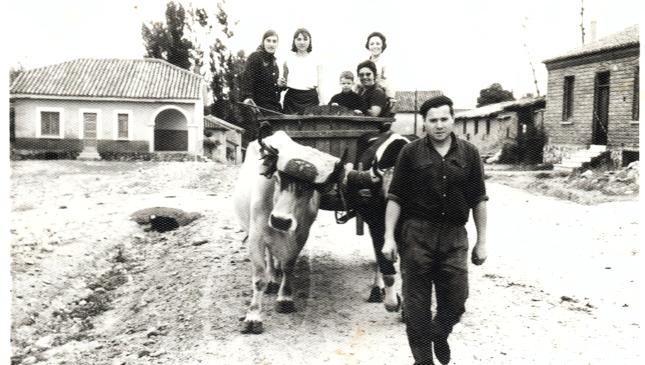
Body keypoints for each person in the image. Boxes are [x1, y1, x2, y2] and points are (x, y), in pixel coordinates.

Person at [381, 95, 488, 365]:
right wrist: (388, 238)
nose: (439, 125)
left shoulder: (469, 153)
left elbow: (478, 199)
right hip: (417, 234)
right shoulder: (410, 152)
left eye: (444, 119)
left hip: (454, 235)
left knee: (457, 298)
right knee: (416, 305)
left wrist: (482, 241)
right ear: (424, 124)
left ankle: (439, 333)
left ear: (453, 120)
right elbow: (395, 197)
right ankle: (423, 360)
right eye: (433, 120)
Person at [241, 30, 286, 114]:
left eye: (274, 41)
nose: (271, 44)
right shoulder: (255, 57)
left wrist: (279, 86)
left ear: (277, 44)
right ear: (263, 42)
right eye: (268, 41)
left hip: (274, 108)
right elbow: (247, 80)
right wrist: (247, 99)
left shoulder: (274, 63)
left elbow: (269, 88)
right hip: (259, 108)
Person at [282, 28, 322, 114]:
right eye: (299, 39)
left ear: (309, 41)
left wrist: (322, 101)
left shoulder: (316, 59)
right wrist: (281, 83)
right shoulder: (288, 60)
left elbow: (320, 84)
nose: (302, 42)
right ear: (294, 41)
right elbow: (284, 84)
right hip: (291, 101)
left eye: (305, 39)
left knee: (310, 126)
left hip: (311, 100)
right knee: (289, 126)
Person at [364, 31, 396, 109]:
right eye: (372, 44)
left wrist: (391, 97)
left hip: (379, 96)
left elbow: (389, 83)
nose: (375, 46)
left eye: (378, 44)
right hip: (365, 94)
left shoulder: (385, 64)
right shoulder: (364, 63)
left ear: (382, 46)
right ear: (368, 46)